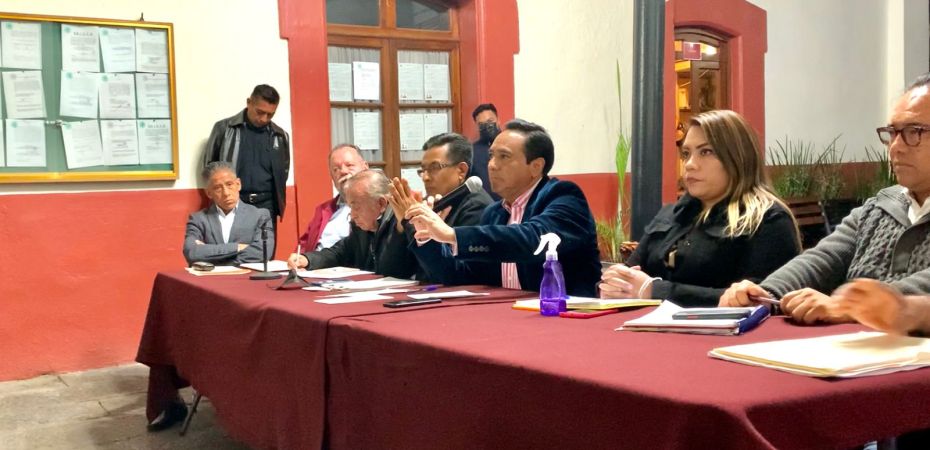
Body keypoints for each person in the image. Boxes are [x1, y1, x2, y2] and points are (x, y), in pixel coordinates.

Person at [720, 73, 930, 324]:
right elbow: (822, 259)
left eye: (913, 132)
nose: (895, 147)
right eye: (892, 133)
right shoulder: (878, 209)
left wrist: (849, 307)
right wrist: (766, 294)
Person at [599, 110, 800, 306]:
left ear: (738, 158)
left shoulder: (768, 220)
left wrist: (654, 291)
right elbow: (629, 276)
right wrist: (613, 283)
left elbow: (760, 300)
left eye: (706, 152)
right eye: (686, 154)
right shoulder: (671, 215)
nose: (690, 164)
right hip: (641, 324)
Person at [404, 119, 601, 296]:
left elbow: (533, 239)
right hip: (508, 315)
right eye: (491, 156)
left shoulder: (564, 196)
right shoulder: (494, 213)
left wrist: (452, 235)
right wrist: (427, 237)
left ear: (536, 166)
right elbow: (461, 276)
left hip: (564, 314)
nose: (492, 165)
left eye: (504, 157)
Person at [388, 133, 493, 281]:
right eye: (423, 170)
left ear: (461, 170)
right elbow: (393, 271)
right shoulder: (431, 203)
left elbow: (456, 276)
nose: (426, 177)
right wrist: (402, 226)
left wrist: (412, 224)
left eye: (434, 168)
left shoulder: (476, 206)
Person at [287, 170, 416, 279]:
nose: (352, 215)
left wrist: (400, 231)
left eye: (356, 207)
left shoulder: (402, 223)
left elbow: (392, 270)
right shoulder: (361, 227)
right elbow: (339, 252)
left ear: (381, 203)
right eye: (350, 207)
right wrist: (307, 259)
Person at [203, 84, 290, 229]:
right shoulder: (224, 129)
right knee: (233, 244)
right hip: (232, 202)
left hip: (267, 205)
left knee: (265, 244)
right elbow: (210, 170)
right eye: (260, 112)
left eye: (270, 115)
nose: (264, 119)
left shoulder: (280, 136)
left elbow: (283, 172)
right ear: (249, 102)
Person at [183, 162, 273, 266]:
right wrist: (237, 247)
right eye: (218, 188)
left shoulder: (260, 215)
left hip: (245, 276)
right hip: (210, 276)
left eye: (229, 184)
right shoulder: (198, 219)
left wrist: (214, 259)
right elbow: (192, 253)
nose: (226, 193)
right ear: (209, 193)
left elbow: (262, 253)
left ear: (238, 184)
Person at [297, 144, 369, 251]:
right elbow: (303, 246)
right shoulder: (323, 210)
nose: (343, 171)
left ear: (365, 167)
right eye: (336, 169)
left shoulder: (376, 205)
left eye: (349, 165)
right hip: (316, 260)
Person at [469, 103, 501, 200]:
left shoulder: (512, 145)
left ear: (498, 120)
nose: (486, 126)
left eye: (490, 121)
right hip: (484, 205)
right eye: (481, 124)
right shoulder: (472, 151)